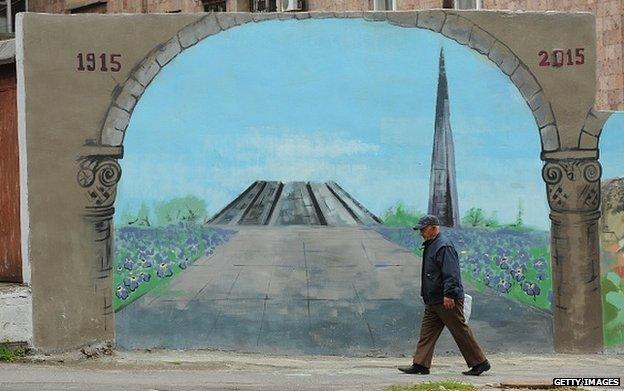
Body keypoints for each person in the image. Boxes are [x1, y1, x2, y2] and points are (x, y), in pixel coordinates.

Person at [398, 215, 490, 376]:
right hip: (433, 299)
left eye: (423, 229)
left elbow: (451, 273)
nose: (421, 232)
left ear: (434, 227)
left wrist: (449, 294)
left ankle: (480, 363)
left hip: (446, 299)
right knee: (427, 333)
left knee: (460, 331)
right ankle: (420, 364)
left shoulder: (443, 246)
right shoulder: (432, 245)